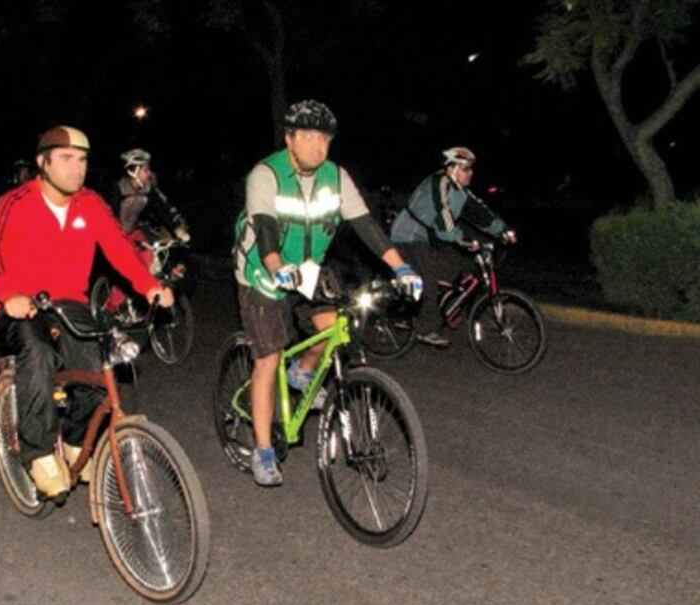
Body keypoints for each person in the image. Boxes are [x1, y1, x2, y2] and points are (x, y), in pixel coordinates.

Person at [233, 99, 423, 487]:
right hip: (260, 271)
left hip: (308, 269)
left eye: (324, 138)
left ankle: (302, 373)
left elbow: (366, 225)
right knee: (268, 358)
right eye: (307, 136)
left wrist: (400, 266)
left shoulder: (336, 177)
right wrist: (275, 267)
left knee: (335, 329)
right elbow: (266, 229)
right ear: (289, 139)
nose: (317, 145)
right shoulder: (265, 174)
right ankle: (264, 449)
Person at [0, 125, 174, 498]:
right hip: (21, 301)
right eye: (66, 159)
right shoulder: (16, 202)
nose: (76, 168)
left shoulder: (90, 204)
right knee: (37, 355)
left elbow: (120, 249)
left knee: (97, 369)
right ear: (43, 162)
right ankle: (37, 452)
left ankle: (74, 442)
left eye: (82, 160)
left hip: (69, 301)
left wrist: (149, 285)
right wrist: (8, 295)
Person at [389, 147, 516, 348]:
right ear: (452, 169)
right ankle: (424, 328)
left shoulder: (462, 192)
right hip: (409, 235)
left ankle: (446, 309)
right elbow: (444, 216)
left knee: (460, 267)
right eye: (466, 169)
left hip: (430, 239)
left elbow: (480, 213)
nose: (471, 173)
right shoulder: (440, 183)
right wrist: (460, 238)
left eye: (471, 169)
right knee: (428, 279)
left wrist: (503, 230)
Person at [115, 148, 190, 243]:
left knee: (151, 253)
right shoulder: (117, 189)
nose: (149, 173)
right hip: (115, 237)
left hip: (133, 234)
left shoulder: (148, 189)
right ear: (133, 172)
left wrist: (176, 228)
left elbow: (162, 207)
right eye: (145, 170)